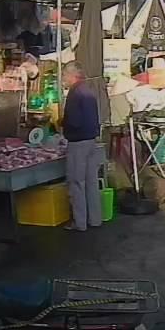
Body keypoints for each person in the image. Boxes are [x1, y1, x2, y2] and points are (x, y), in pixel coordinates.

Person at [61, 61, 103, 231]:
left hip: (78, 142)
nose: (63, 78)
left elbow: (74, 120)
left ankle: (80, 223)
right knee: (91, 181)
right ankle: (95, 219)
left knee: (77, 182)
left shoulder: (75, 93)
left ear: (73, 75)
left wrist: (62, 123)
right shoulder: (88, 90)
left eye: (64, 75)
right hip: (91, 140)